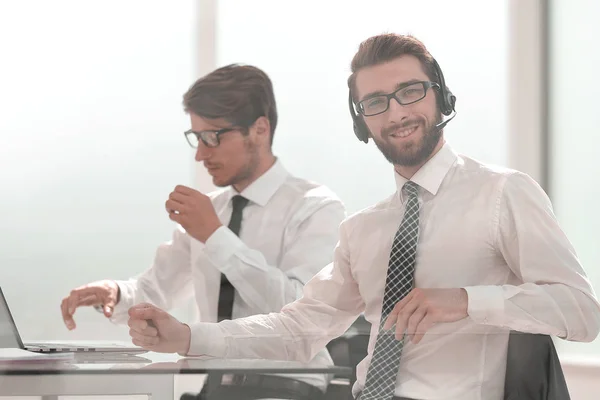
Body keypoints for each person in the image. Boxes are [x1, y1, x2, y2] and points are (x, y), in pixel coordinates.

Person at [126, 34, 600, 400]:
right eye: (375, 103)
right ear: (361, 121)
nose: (396, 113)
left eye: (410, 91)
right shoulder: (363, 229)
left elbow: (582, 312)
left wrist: (466, 300)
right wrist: (188, 335)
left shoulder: (503, 193)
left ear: (440, 96)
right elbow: (298, 328)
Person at [60, 64, 347, 398]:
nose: (200, 154)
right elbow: (155, 290)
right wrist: (116, 294)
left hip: (287, 385)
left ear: (260, 129)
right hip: (214, 387)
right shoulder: (212, 210)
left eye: (212, 137)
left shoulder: (315, 207)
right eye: (196, 138)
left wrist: (215, 236)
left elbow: (300, 311)